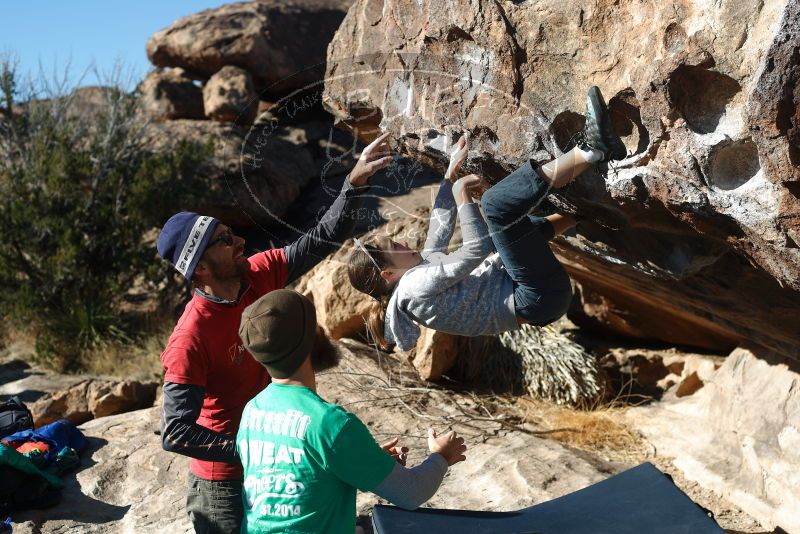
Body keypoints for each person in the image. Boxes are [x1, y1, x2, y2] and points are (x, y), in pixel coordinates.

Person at [156, 133, 393, 533]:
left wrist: (354, 183)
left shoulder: (258, 273)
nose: (239, 242)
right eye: (224, 241)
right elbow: (176, 431)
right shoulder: (191, 337)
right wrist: (248, 449)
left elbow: (320, 239)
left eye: (231, 233)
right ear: (199, 269)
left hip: (272, 454)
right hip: (223, 484)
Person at [347, 86, 627, 351]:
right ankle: (593, 148)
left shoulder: (415, 279)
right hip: (535, 296)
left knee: (500, 237)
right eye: (394, 248)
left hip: (538, 299)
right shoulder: (413, 287)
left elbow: (439, 227)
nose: (403, 243)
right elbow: (475, 250)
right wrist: (462, 196)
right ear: (389, 274)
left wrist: (449, 174)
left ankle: (578, 214)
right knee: (495, 207)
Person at [236, 289, 467, 533]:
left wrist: (362, 460)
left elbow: (291, 482)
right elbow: (411, 493)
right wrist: (441, 456)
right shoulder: (329, 423)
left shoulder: (252, 411)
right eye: (315, 323)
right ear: (307, 340)